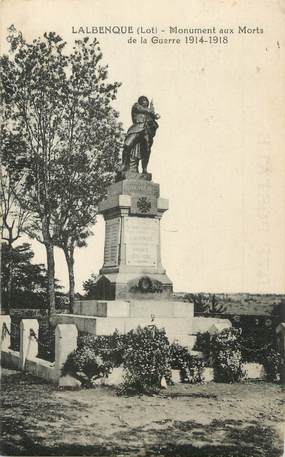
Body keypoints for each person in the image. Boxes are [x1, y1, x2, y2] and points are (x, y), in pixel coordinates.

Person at [122, 96, 160, 173]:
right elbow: (142, 109)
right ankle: (124, 165)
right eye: (143, 100)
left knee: (147, 150)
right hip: (136, 128)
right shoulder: (136, 106)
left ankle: (144, 169)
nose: (145, 102)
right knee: (127, 145)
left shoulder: (149, 114)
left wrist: (153, 119)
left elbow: (154, 124)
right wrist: (152, 112)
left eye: (146, 100)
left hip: (146, 131)